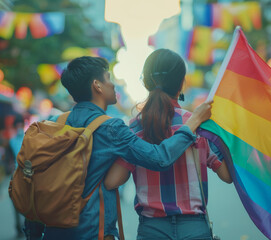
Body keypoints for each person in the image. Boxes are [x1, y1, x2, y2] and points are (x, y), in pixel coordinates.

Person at [23, 56, 212, 240]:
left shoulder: (56, 122)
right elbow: (159, 158)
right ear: (97, 86)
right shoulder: (112, 128)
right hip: (92, 230)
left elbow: (39, 178)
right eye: (108, 79)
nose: (113, 85)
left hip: (53, 230)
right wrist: (193, 122)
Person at [104, 49, 232, 240]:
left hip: (151, 230)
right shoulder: (198, 125)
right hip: (195, 229)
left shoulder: (134, 130)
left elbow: (112, 181)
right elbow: (227, 176)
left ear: (146, 83)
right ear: (181, 83)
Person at [8, 115, 27, 238]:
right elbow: (8, 159)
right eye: (17, 125)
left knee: (27, 202)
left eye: (21, 125)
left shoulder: (28, 138)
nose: (19, 127)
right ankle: (18, 226)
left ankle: (28, 226)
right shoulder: (11, 141)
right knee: (15, 202)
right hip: (15, 174)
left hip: (27, 174)